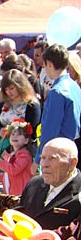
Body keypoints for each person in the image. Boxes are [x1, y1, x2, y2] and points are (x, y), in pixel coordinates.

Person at [32, 44, 81, 174]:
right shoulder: (75, 87)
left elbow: (50, 129)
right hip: (75, 146)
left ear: (48, 64)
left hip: (60, 152)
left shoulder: (57, 93)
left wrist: (38, 159)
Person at [0, 69, 41, 162]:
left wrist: (14, 133)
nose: (9, 92)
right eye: (6, 89)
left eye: (12, 88)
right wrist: (0, 130)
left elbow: (32, 131)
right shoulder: (3, 104)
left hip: (23, 151)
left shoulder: (31, 105)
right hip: (2, 148)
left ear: (20, 86)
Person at [0, 119, 33, 196]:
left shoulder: (24, 154)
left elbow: (14, 170)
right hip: (12, 190)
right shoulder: (12, 154)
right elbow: (9, 173)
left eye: (19, 134)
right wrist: (1, 177)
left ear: (26, 140)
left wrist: (0, 162)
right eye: (12, 134)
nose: (15, 136)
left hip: (21, 191)